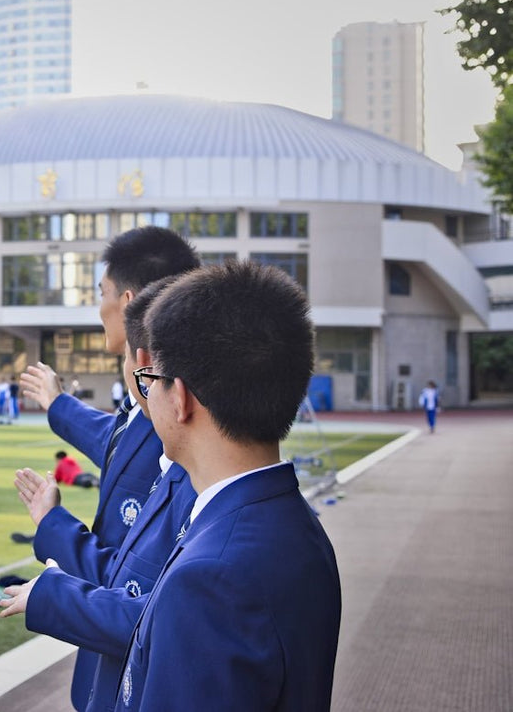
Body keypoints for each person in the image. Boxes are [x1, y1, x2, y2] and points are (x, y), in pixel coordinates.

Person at [116, 261, 341, 711]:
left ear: (179, 398)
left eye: (150, 382)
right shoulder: (292, 523)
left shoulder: (211, 578)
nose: (147, 397)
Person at [17, 226, 199, 711]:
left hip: (129, 670)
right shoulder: (150, 414)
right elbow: (116, 443)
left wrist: (54, 530)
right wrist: (58, 404)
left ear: (129, 301)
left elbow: (131, 587)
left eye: (101, 293)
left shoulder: (174, 435)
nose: (97, 307)